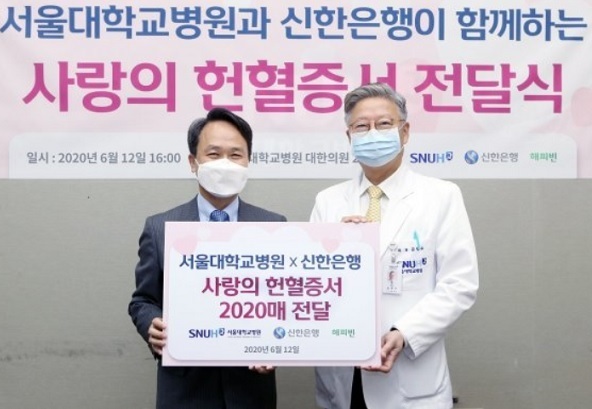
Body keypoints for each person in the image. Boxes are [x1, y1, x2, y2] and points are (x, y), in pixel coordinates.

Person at [311, 83, 479, 409]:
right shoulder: (328, 201)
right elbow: (313, 286)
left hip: (410, 377)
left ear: (405, 132)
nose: (373, 133)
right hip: (345, 378)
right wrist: (335, 251)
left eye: (384, 124)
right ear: (349, 137)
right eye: (362, 126)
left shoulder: (441, 196)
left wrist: (404, 332)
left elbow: (460, 284)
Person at [128, 107, 286, 409]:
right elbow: (142, 301)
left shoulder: (274, 226)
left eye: (235, 155)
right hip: (184, 390)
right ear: (193, 162)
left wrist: (278, 344)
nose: (225, 163)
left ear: (248, 162)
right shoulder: (160, 227)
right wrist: (151, 324)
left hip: (251, 390)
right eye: (214, 154)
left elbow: (287, 301)